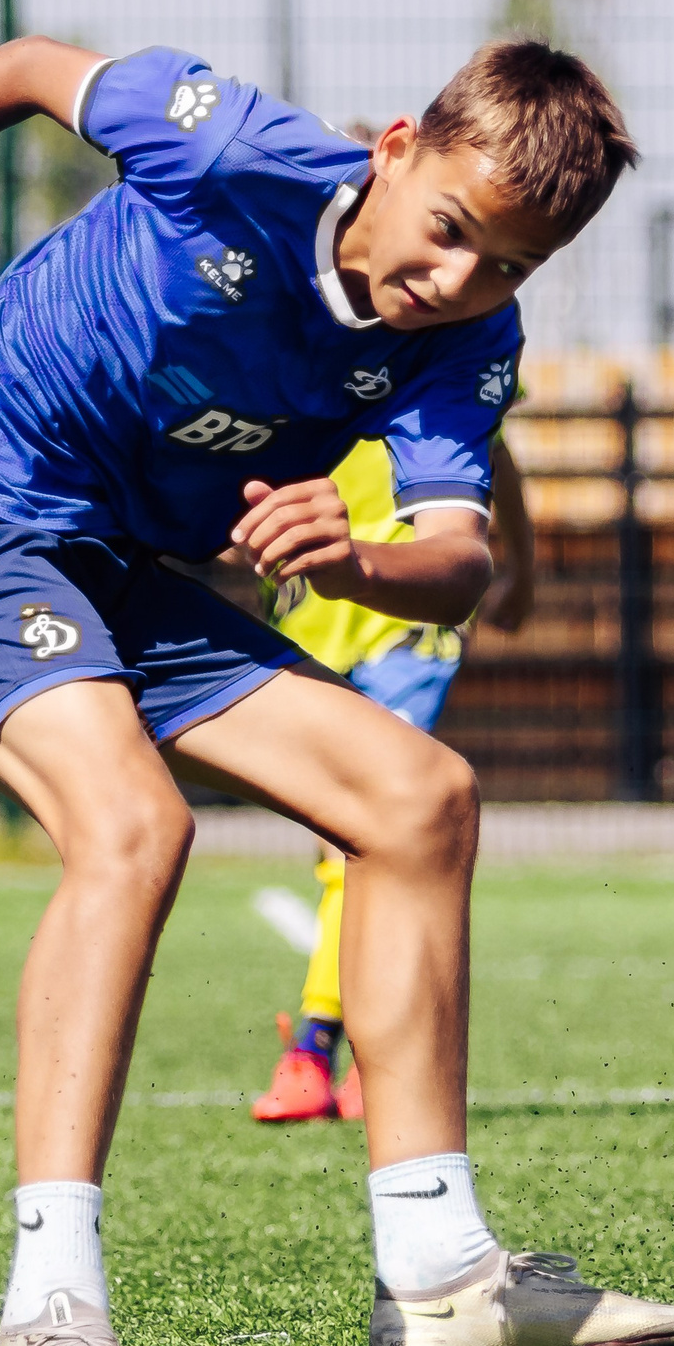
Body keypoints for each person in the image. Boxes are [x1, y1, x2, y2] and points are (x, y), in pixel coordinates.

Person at [0, 36, 674, 1346]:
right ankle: (46, 1318)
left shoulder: (466, 337)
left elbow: (464, 559)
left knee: (420, 796)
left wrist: (358, 558)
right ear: (397, 146)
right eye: (453, 232)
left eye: (510, 268)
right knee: (133, 825)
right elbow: (15, 70)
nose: (459, 281)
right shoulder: (222, 142)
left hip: (120, 568)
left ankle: (439, 1276)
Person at [252, 435, 534, 1125]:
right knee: (339, 836)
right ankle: (354, 1060)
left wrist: (523, 564)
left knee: (370, 825)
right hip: (306, 610)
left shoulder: (458, 344)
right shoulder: (284, 342)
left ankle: (320, 1054)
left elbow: (494, 449)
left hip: (411, 614)